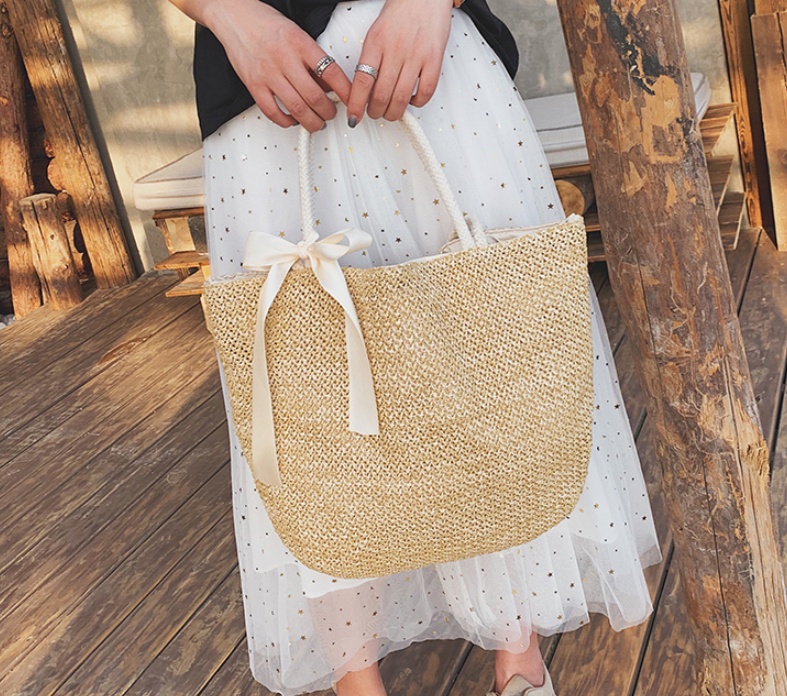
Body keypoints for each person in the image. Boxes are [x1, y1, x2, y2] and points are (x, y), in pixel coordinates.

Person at [166, 1, 663, 694]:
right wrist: (232, 18)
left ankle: (519, 660)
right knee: (311, 410)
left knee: (495, 362)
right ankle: (357, 682)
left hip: (428, 56)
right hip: (268, 85)